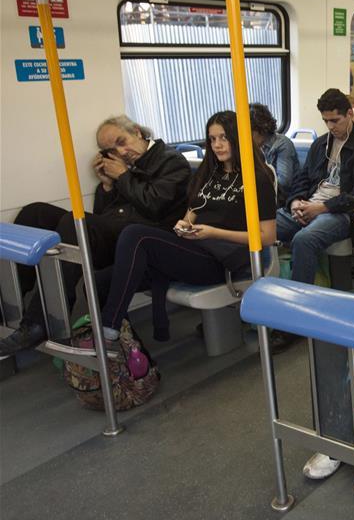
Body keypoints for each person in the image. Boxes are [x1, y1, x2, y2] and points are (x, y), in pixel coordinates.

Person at [0, 116, 191, 356]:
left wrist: (122, 176)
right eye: (112, 150)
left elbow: (155, 205)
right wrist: (108, 186)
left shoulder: (171, 161)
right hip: (118, 233)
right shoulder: (126, 170)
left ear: (138, 132)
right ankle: (6, 305)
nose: (122, 152)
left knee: (75, 222)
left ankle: (37, 323)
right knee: (35, 213)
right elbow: (105, 215)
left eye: (122, 142)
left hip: (145, 240)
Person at [94, 110, 277, 345]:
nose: (217, 145)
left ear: (237, 137)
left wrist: (212, 232)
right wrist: (184, 225)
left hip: (223, 260)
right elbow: (192, 213)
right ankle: (125, 350)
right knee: (101, 280)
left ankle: (108, 330)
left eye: (223, 138)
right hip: (196, 248)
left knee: (135, 235)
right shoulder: (210, 172)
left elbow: (268, 236)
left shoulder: (257, 178)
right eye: (212, 139)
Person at [276, 89, 354, 286]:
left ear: (350, 114)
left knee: (304, 240)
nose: (330, 126)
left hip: (342, 214)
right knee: (262, 227)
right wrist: (295, 202)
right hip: (308, 205)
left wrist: (322, 208)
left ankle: (301, 301)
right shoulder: (320, 144)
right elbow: (302, 179)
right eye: (326, 121)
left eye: (335, 120)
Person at [249, 103, 299, 207]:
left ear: (261, 129)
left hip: (281, 197)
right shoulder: (250, 147)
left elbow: (283, 183)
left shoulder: (282, 144)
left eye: (250, 132)